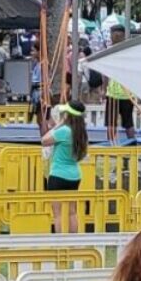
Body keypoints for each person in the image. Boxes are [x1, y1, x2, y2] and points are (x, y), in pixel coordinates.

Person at [41, 100, 89, 234]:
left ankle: (59, 244)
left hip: (58, 175)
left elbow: (44, 140)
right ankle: (73, 242)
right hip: (74, 175)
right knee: (72, 212)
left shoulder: (64, 130)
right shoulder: (81, 133)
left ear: (68, 115)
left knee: (58, 214)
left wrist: (59, 124)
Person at [104, 25, 138, 142]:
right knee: (126, 123)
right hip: (123, 93)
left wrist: (104, 90)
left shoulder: (113, 51)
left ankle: (113, 145)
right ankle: (129, 144)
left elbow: (105, 73)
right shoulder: (127, 51)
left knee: (113, 123)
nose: (115, 37)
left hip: (118, 93)